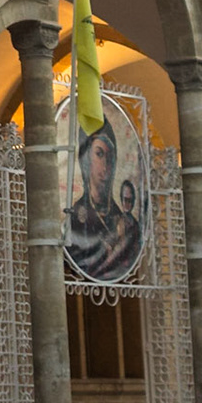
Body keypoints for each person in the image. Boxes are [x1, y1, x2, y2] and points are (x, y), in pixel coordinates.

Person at [65, 119, 141, 281]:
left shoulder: (127, 223)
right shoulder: (73, 218)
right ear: (85, 160)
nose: (106, 165)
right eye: (99, 154)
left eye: (110, 156)